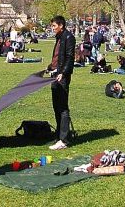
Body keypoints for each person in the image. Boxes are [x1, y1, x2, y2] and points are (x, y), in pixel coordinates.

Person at [47, 15, 75, 151]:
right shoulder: (59, 38)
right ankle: (59, 135)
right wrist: (50, 67)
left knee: (63, 107)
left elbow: (70, 58)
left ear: (61, 25)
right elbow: (57, 57)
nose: (52, 28)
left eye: (54, 26)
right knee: (56, 106)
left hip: (62, 77)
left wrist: (63, 73)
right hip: (54, 75)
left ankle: (64, 139)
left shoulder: (68, 37)